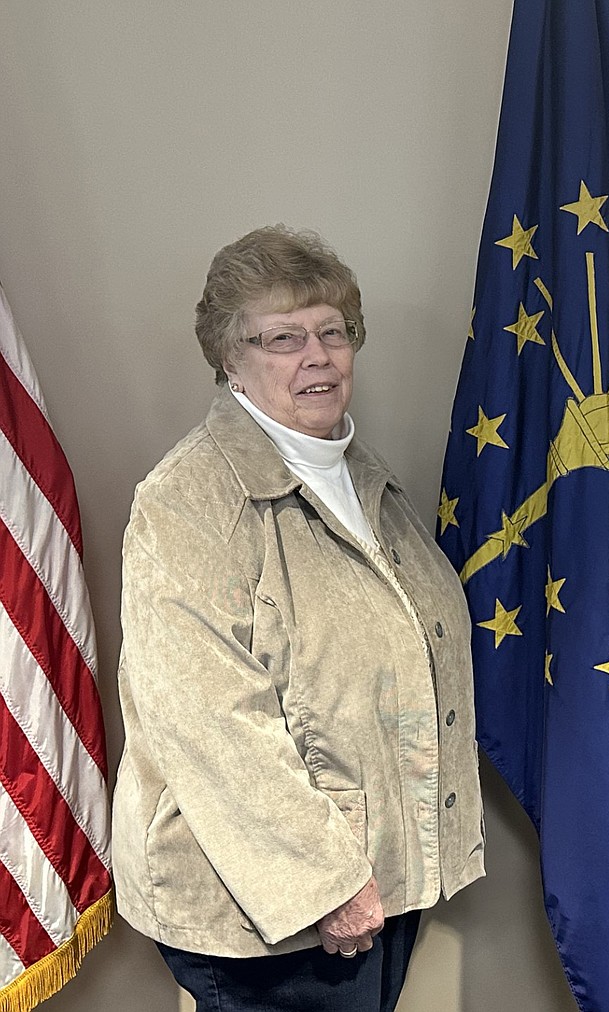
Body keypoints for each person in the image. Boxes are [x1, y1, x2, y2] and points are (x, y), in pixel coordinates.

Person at [112, 225, 485, 1012]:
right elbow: (212, 725)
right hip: (275, 910)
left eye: (332, 331)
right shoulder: (187, 501)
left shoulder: (363, 479)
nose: (317, 355)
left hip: (373, 879)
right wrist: (327, 886)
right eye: (283, 337)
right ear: (229, 358)